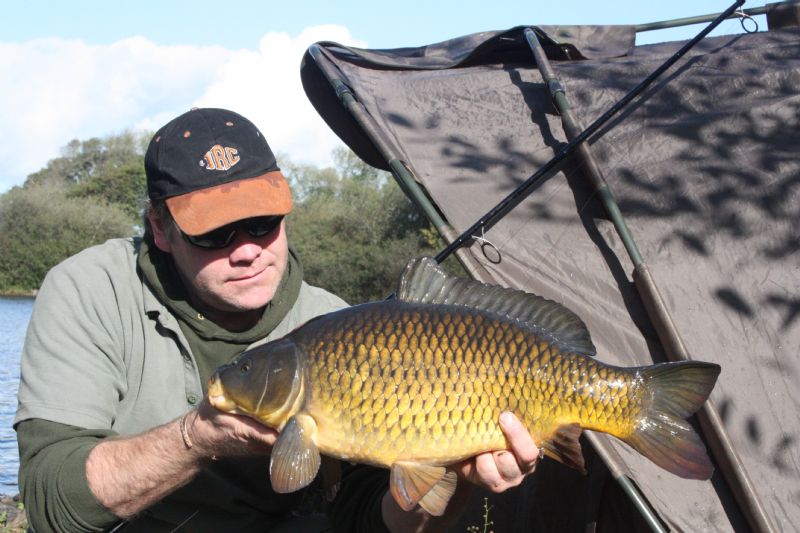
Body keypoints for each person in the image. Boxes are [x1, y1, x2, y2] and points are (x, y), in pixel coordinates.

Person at [14, 107, 542, 532]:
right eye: (214, 232)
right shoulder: (91, 289)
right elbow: (53, 506)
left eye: (263, 224)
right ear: (159, 227)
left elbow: (370, 521)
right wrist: (196, 438)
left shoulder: (338, 325)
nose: (246, 250)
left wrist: (456, 476)